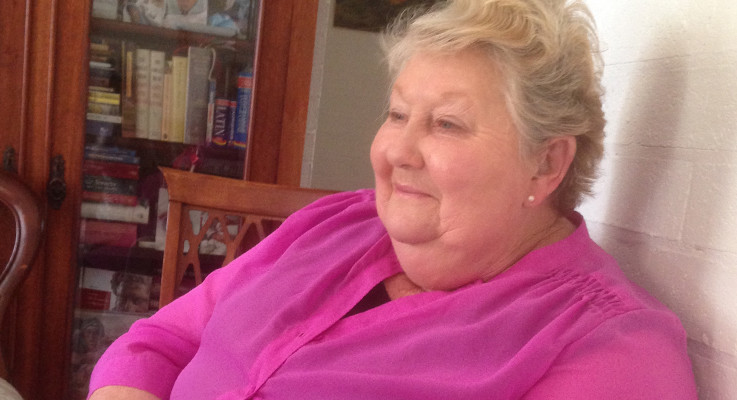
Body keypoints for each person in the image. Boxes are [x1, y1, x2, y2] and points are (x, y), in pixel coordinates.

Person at [88, 0, 698, 398]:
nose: (396, 151)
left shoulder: (612, 351)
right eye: (398, 113)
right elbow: (157, 342)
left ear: (548, 162)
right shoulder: (335, 223)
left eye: (446, 124)